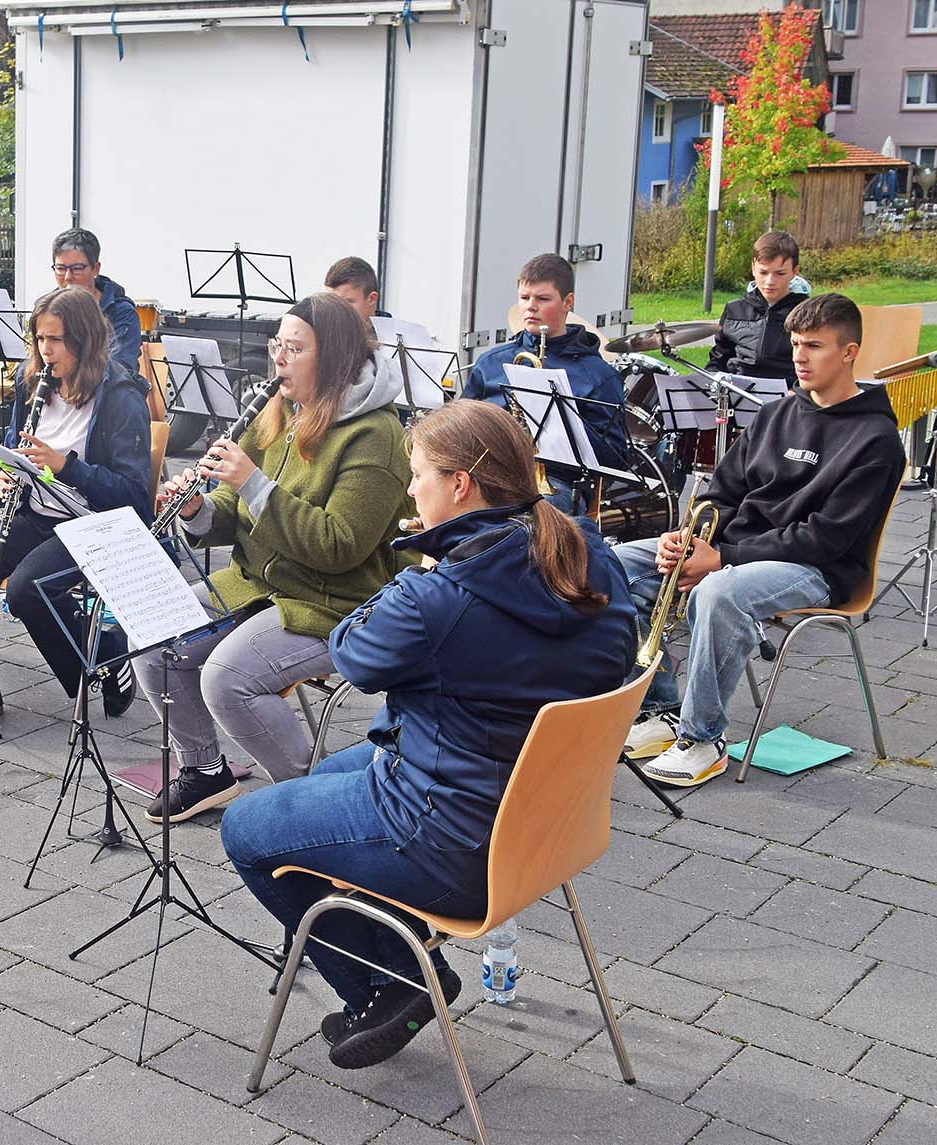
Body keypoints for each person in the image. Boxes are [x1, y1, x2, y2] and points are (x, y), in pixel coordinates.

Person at [222, 398, 636, 1071]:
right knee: (323, 779)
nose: (410, 490)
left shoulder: (436, 596)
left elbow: (349, 650)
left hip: (453, 840)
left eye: (419, 475)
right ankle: (394, 935)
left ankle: (390, 981)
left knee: (245, 829)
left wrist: (427, 564)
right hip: (545, 822)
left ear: (460, 485)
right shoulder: (584, 547)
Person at [140, 292, 414, 822]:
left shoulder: (375, 436)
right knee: (154, 638)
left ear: (332, 358)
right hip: (262, 583)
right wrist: (197, 506)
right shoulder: (281, 409)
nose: (278, 359)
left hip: (340, 601)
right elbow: (233, 503)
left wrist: (253, 483)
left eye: (294, 348)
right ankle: (204, 771)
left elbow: (339, 546)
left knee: (226, 679)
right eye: (276, 346)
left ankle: (322, 806)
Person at [622, 292, 903, 787]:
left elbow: (825, 539)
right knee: (618, 562)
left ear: (849, 352)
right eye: (795, 343)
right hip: (735, 549)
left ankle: (703, 740)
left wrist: (721, 558)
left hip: (819, 570)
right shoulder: (777, 413)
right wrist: (687, 539)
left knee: (719, 591)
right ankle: (659, 709)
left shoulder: (876, 440)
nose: (799, 356)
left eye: (814, 345)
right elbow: (723, 491)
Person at [0, 286, 153, 736]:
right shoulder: (34, 384)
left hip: (95, 526)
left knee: (27, 588)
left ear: (83, 341)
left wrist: (67, 467)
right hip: (38, 515)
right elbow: (9, 455)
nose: (44, 351)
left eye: (55, 341)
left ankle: (104, 659)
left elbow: (134, 497)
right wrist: (2, 478)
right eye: (39, 340)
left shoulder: (121, 396)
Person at [461, 254, 627, 515]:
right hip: (489, 474)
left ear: (567, 302)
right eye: (524, 298)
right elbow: (461, 426)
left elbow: (615, 458)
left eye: (542, 299)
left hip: (557, 483)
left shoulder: (598, 375)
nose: (530, 307)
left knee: (532, 512)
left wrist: (565, 433)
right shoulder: (491, 362)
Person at [708, 230, 807, 385]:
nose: (770, 281)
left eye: (780, 273)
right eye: (763, 272)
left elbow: (819, 369)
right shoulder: (734, 310)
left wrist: (797, 393)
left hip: (788, 399)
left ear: (795, 271)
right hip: (737, 394)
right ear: (753, 268)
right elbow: (718, 360)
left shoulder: (808, 313)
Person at [49, 229, 141, 377]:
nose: (67, 277)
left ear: (95, 269)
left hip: (106, 397)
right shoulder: (47, 310)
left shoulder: (121, 313)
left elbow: (120, 370)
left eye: (77, 268)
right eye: (60, 268)